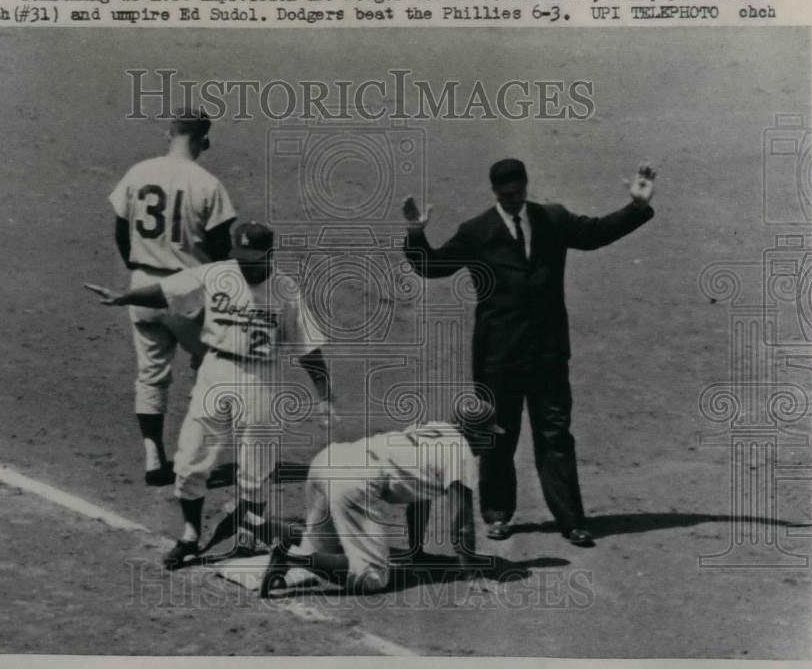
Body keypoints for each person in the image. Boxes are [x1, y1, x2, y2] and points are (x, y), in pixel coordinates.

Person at [401, 161, 656, 547]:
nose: (515, 200)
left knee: (555, 435)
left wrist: (636, 206)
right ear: (495, 193)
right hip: (498, 358)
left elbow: (595, 234)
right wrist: (415, 233)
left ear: (526, 187)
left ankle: (571, 520)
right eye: (507, 196)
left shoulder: (552, 218)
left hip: (549, 354)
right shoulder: (477, 231)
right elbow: (432, 266)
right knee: (499, 437)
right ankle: (498, 514)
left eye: (519, 193)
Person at [86, 221, 332, 569]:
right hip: (215, 371)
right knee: (190, 459)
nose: (244, 265)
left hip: (262, 378)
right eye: (240, 257)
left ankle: (248, 536)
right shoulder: (217, 273)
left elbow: (309, 348)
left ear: (270, 255)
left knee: (256, 467)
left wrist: (324, 395)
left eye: (252, 259)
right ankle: (189, 536)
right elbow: (167, 291)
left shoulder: (285, 289)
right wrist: (124, 297)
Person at [259, 397, 503, 597]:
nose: (490, 443)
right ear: (474, 433)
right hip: (354, 481)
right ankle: (289, 557)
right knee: (372, 577)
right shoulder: (461, 453)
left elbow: (419, 498)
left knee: (324, 550)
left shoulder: (434, 428)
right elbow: (462, 524)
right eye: (488, 435)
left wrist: (415, 552)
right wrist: (472, 572)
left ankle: (255, 524)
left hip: (328, 461)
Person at [108, 108, 237, 486]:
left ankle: (152, 457)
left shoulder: (138, 172)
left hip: (143, 288)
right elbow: (220, 249)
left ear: (169, 133)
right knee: (212, 369)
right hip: (189, 292)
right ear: (205, 141)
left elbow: (120, 230)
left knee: (150, 375)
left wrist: (140, 273)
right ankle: (191, 456)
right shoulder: (208, 184)